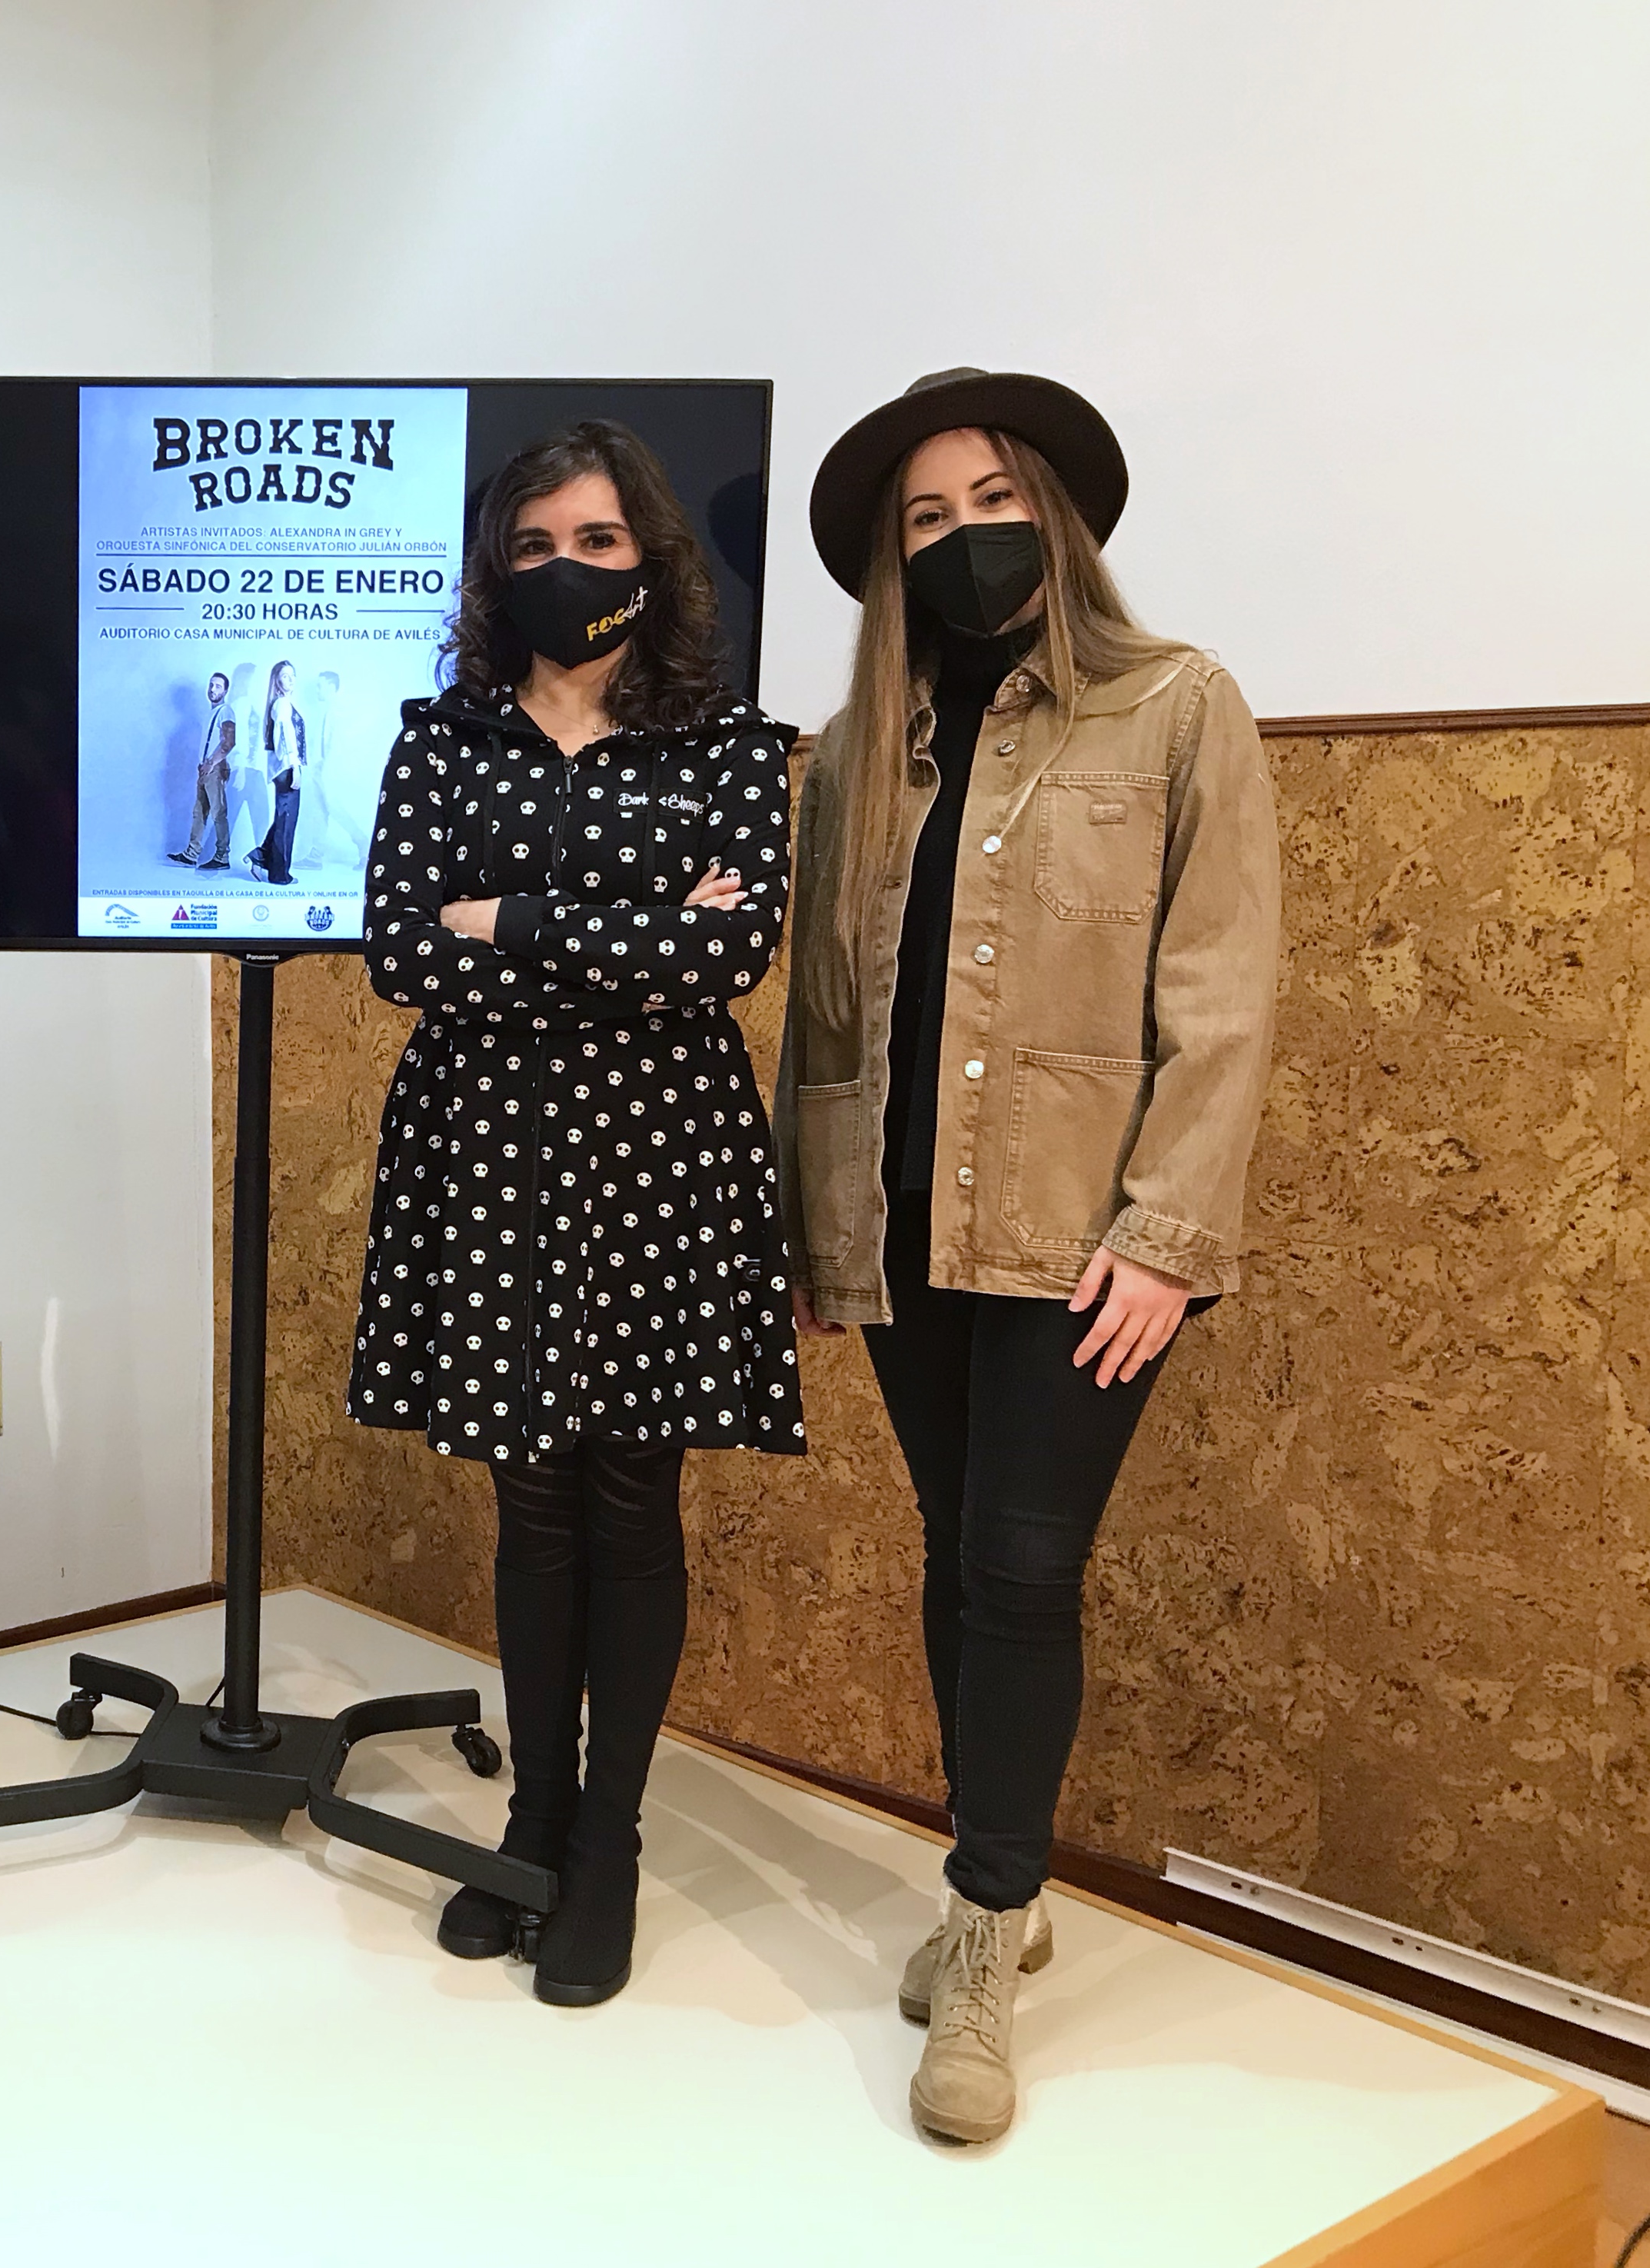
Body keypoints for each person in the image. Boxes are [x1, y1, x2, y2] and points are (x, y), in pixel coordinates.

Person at [780, 369, 1279, 2143]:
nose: (961, 536)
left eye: (988, 500)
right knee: (951, 1552)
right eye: (924, 517)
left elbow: (1220, 994)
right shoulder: (851, 753)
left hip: (1082, 1241)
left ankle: (982, 1930)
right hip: (903, 1230)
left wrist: (1164, 1235)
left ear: (1051, 515)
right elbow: (824, 1017)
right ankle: (1004, 1874)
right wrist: (816, 1228)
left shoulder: (1174, 707)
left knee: (1016, 1566)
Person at [350, 421, 804, 2007]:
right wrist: (627, 931)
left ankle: (607, 1838)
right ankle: (532, 1816)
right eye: (535, 542)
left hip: (659, 1163)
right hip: (487, 1155)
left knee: (630, 1499)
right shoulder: (441, 737)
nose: (565, 567)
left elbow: (730, 954)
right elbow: (400, 950)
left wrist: (510, 919)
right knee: (530, 1507)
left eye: (598, 540)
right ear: (497, 564)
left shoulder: (726, 742)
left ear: (650, 558)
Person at [245, 657, 308, 884]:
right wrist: (295, 767)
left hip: (283, 768)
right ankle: (280, 875)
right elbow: (285, 736)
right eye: (284, 676)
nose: (290, 679)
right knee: (287, 822)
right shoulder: (282, 704)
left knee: (283, 818)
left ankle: (260, 856)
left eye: (292, 675)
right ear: (277, 681)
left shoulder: (282, 703)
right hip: (287, 768)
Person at [171, 668, 238, 867]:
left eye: (218, 686)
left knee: (218, 813)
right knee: (199, 812)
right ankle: (192, 854)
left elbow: (229, 743)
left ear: (225, 691)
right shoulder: (212, 713)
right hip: (205, 769)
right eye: (211, 685)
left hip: (215, 768)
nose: (213, 689)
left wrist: (210, 763)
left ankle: (222, 857)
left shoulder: (225, 711)